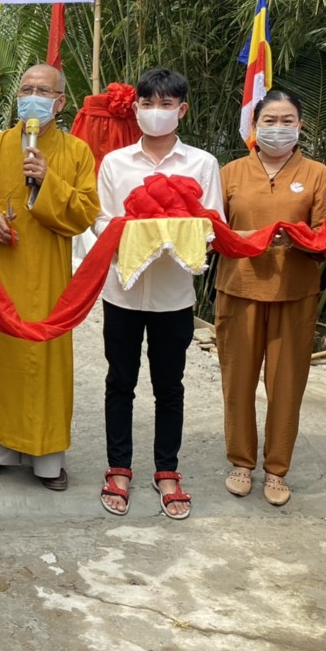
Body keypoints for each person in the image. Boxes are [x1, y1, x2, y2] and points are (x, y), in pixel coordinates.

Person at [0, 63, 99, 489]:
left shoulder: (77, 153)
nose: (33, 95)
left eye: (43, 90)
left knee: (45, 360)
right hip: (0, 273)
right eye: (26, 88)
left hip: (49, 277)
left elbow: (85, 214)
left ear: (59, 102)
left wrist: (48, 181)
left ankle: (46, 457)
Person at [95, 67, 223, 520]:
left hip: (174, 294)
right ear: (135, 109)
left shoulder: (202, 165)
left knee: (170, 386)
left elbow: (210, 227)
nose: (156, 112)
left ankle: (167, 470)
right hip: (123, 291)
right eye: (148, 104)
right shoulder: (115, 163)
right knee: (120, 382)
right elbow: (103, 223)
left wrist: (172, 237)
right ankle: (119, 467)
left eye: (166, 104)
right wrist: (140, 237)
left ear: (182, 110)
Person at [215, 89, 326, 506]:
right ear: (254, 126)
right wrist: (244, 238)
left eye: (288, 120)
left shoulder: (318, 173)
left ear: (300, 125)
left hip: (295, 291)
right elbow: (213, 231)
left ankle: (277, 469)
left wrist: (298, 238)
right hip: (238, 288)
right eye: (270, 120)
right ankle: (241, 461)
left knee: (286, 384)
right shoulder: (230, 172)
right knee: (238, 380)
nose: (278, 128)